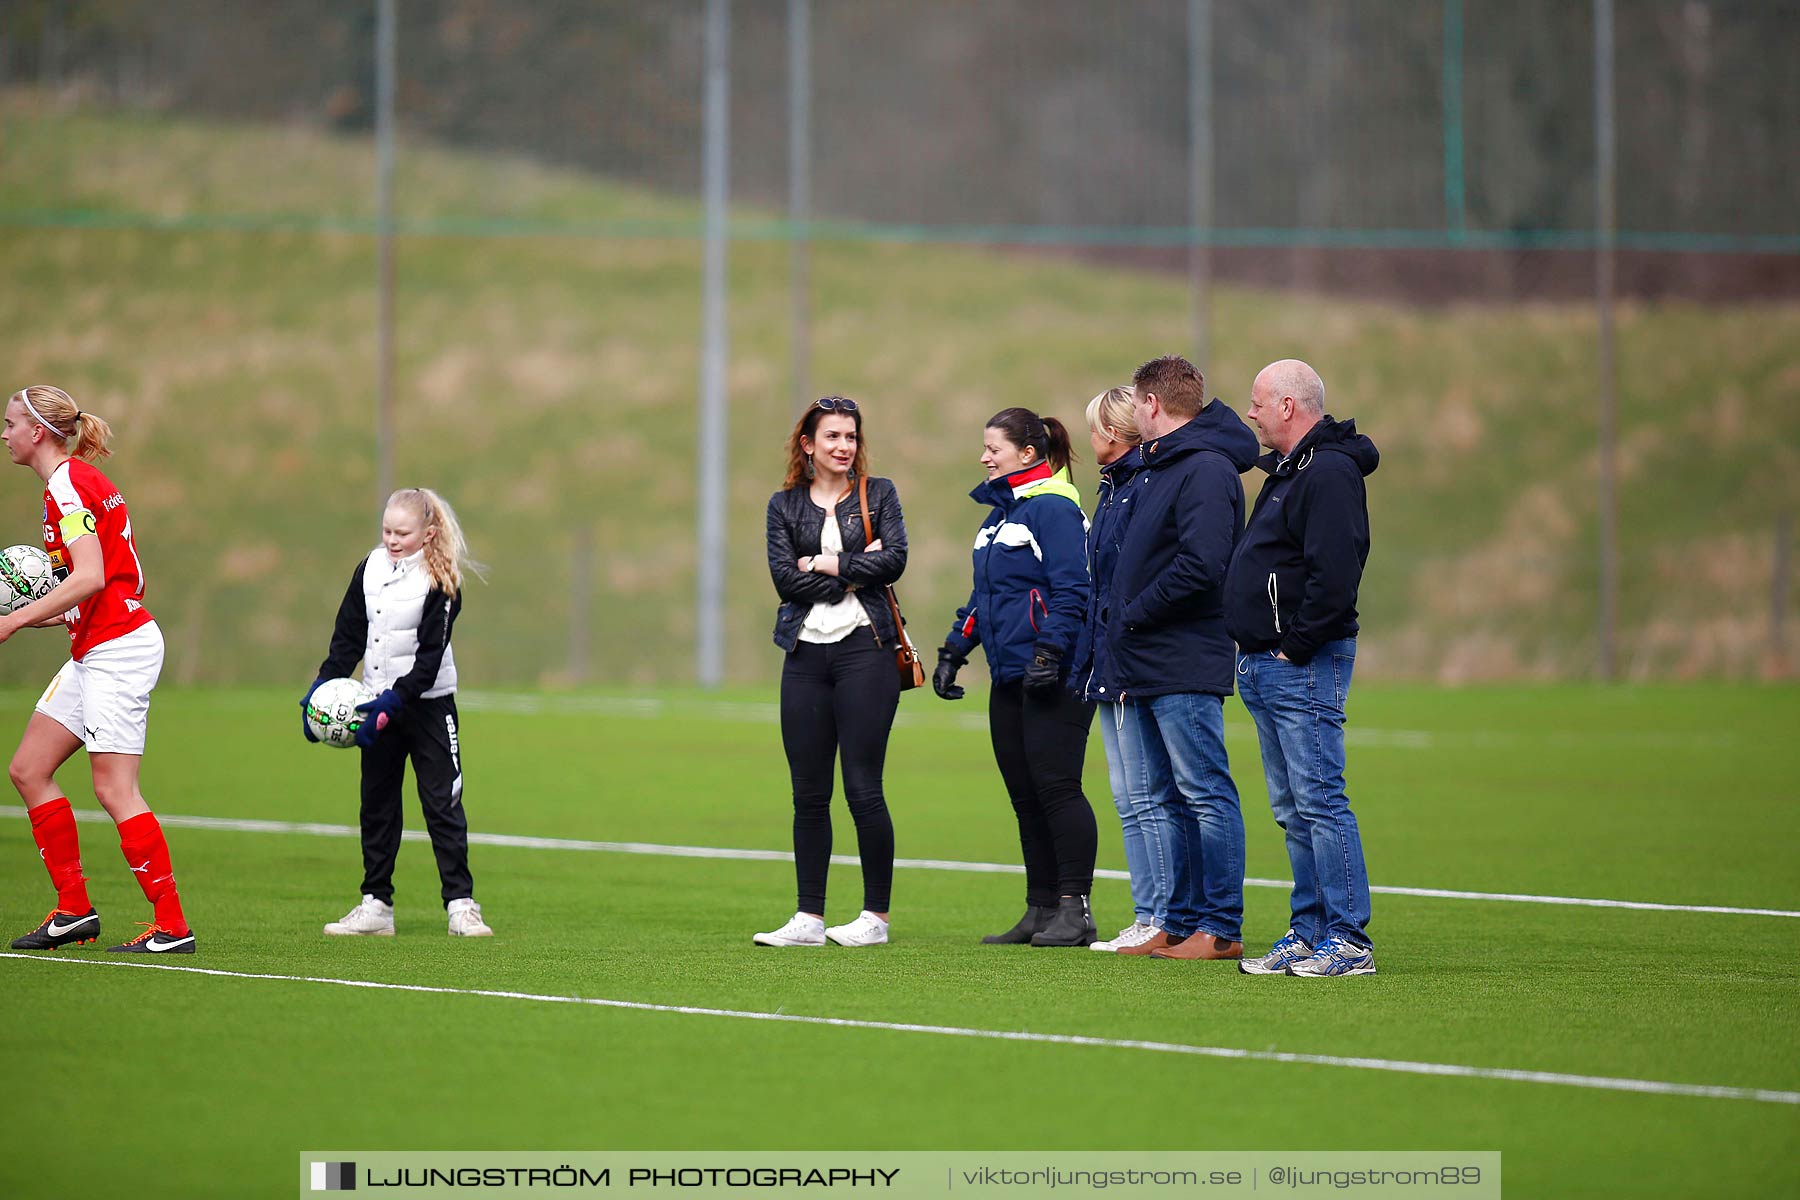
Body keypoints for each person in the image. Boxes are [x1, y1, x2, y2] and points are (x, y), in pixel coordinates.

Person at [2, 385, 195, 954]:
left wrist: (11, 623)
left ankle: (172, 926)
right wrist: (50, 616)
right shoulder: (79, 481)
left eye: (11, 423)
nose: (4, 433)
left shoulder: (66, 485)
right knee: (29, 769)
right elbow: (102, 577)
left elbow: (88, 576)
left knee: (115, 789)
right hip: (97, 644)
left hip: (119, 649)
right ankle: (73, 912)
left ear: (37, 432)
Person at [1227, 359, 1379, 977]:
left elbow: (1337, 571)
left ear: (1289, 406)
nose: (1251, 413)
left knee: (1319, 800)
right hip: (1265, 661)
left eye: (1259, 402)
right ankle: (1309, 929)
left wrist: (1295, 644)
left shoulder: (1330, 471)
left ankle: (1348, 940)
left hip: (1302, 662)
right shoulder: (1289, 471)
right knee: (1293, 806)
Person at [1106, 355, 1259, 962]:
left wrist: (1137, 609)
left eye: (1135, 403)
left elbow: (1203, 564)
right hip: (1147, 655)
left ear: (1150, 405)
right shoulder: (1160, 465)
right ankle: (1184, 921)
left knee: (1204, 791)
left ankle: (1220, 927)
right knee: (1170, 793)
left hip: (1183, 654)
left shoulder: (1204, 469)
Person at [936, 407, 1098, 947]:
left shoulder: (1051, 508)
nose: (984, 457)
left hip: (1054, 672)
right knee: (1025, 795)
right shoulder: (1000, 516)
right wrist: (955, 649)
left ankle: (1076, 909)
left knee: (1057, 788)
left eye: (993, 448)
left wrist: (1050, 652)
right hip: (1010, 675)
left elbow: (1073, 588)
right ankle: (1041, 907)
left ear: (1027, 454)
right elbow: (986, 597)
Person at [303, 487, 492, 938]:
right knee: (378, 806)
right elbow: (347, 638)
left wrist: (394, 701)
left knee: (442, 804)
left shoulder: (441, 580)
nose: (392, 539)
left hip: (428, 707)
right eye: (387, 530)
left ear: (427, 534)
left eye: (402, 533)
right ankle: (377, 907)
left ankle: (461, 906)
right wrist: (321, 690)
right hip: (375, 704)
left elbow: (428, 661)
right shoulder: (368, 570)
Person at [757, 396, 909, 948]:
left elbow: (893, 560)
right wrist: (851, 571)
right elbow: (783, 580)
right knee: (808, 794)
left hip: (865, 651)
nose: (843, 447)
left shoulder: (879, 493)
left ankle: (875, 918)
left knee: (864, 788)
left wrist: (822, 563)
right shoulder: (783, 506)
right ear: (808, 445)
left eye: (850, 437)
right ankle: (809, 918)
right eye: (832, 438)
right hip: (804, 655)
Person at [1067, 387, 1168, 955]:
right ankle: (1146, 913)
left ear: (1114, 431)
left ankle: (1158, 916)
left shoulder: (1140, 489)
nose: (1090, 439)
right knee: (1128, 798)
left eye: (1095, 429)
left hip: (1132, 661)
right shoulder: (1112, 489)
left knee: (1147, 797)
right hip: (1109, 659)